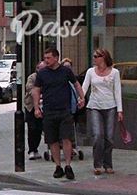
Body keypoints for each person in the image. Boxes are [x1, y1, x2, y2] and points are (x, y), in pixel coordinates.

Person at [33, 47, 85, 180]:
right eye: (45, 58)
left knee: (66, 138)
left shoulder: (66, 71)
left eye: (49, 58)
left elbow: (76, 84)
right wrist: (37, 107)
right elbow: (36, 90)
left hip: (64, 110)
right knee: (52, 140)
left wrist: (82, 98)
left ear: (56, 58)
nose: (46, 60)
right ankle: (58, 166)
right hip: (49, 110)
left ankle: (68, 165)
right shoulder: (42, 73)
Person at [82, 48, 123, 176]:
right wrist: (81, 99)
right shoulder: (90, 72)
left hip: (110, 106)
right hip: (94, 106)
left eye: (96, 56)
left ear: (103, 58)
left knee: (109, 137)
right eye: (94, 56)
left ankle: (108, 164)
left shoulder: (114, 72)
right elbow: (84, 87)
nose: (94, 59)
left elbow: (117, 91)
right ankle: (97, 164)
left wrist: (120, 110)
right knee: (98, 135)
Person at [24, 62, 45, 159]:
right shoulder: (32, 78)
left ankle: (35, 148)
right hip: (31, 106)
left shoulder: (47, 76)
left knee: (39, 129)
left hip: (43, 106)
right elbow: (30, 89)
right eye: (41, 69)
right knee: (32, 128)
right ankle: (31, 150)